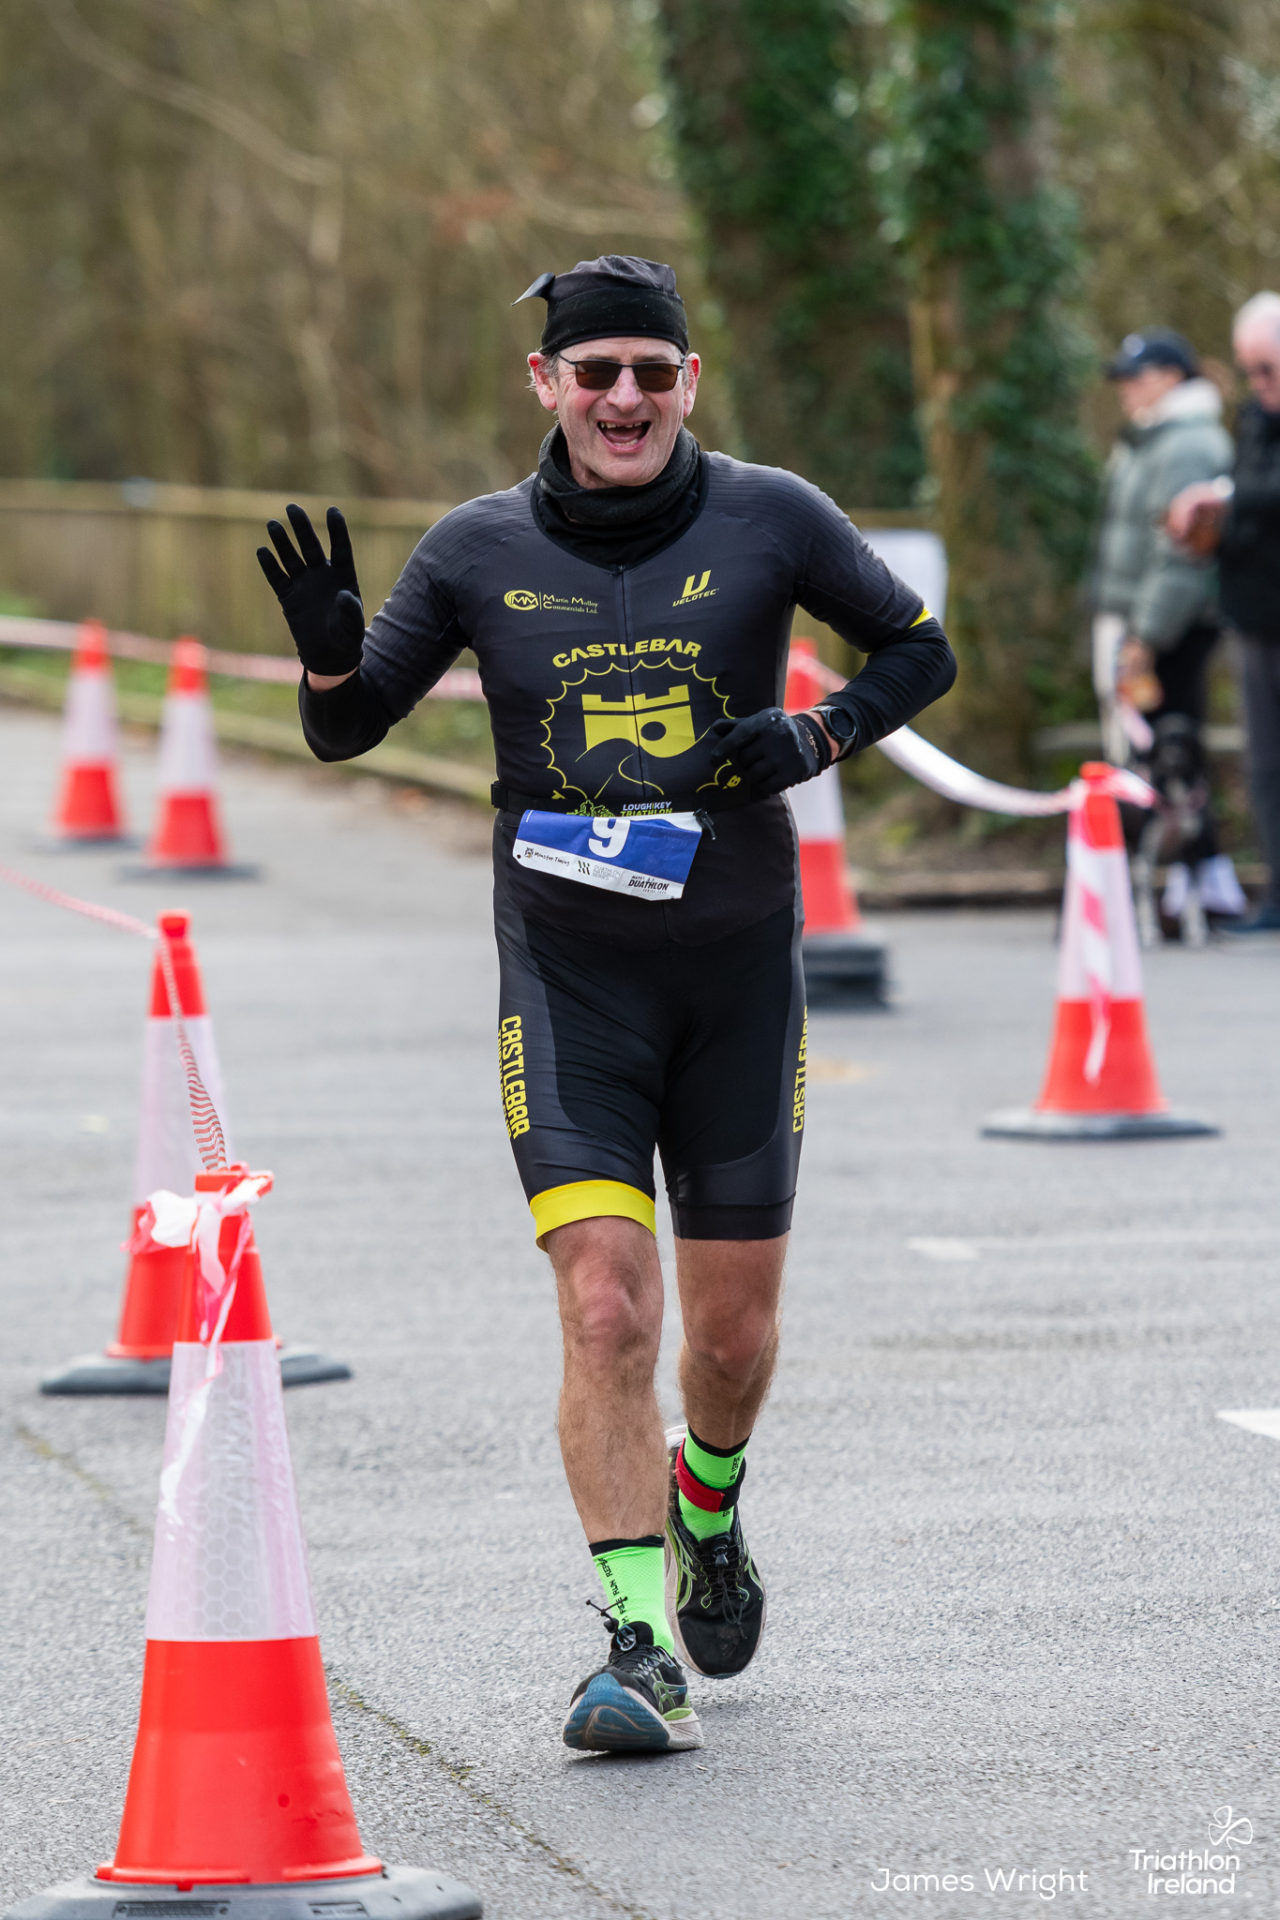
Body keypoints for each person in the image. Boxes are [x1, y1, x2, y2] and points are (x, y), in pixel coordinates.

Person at [256, 255, 955, 1755]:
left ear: (689, 382)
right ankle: (637, 1646)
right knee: (606, 1303)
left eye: (651, 371)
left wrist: (822, 731)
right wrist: (324, 658)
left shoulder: (772, 516)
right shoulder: (474, 548)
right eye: (595, 373)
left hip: (735, 975)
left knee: (731, 1342)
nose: (623, 398)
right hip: (570, 981)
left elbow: (921, 647)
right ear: (548, 385)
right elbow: (348, 730)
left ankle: (709, 1500)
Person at [1089, 327, 1246, 925]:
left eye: (1138, 376)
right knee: (1151, 754)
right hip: (1139, 616)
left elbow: (1180, 553)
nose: (1126, 388)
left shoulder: (1186, 444)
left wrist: (1146, 636)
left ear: (1172, 377)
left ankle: (1199, 877)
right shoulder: (1149, 437)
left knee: (1170, 754)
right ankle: (1189, 876)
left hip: (1166, 626)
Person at [1168, 292, 1280, 934]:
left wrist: (1224, 497)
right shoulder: (1254, 417)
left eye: (1268, 368)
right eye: (1250, 370)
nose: (1259, 382)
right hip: (1252, 615)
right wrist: (1209, 524)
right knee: (1266, 766)